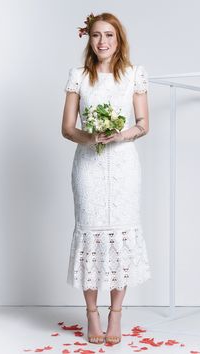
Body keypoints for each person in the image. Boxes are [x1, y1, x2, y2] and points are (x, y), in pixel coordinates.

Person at [61, 12, 152, 345]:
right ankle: (91, 315)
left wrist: (120, 135)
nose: (102, 42)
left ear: (119, 40)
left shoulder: (133, 75)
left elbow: (143, 123)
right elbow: (68, 128)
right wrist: (93, 138)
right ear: (89, 39)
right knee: (91, 235)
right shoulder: (78, 77)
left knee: (119, 238)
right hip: (88, 166)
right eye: (97, 35)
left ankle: (115, 314)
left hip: (125, 166)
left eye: (109, 35)